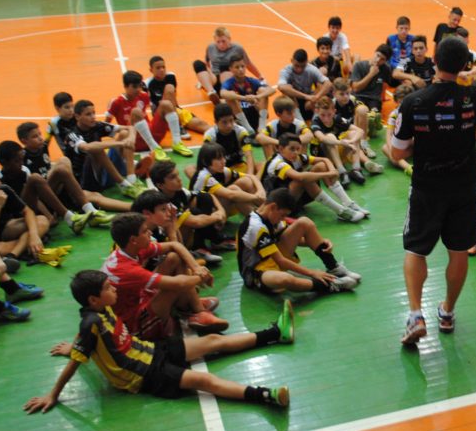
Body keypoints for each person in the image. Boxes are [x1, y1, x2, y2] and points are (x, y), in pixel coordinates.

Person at [390, 37, 476, 345]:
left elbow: (397, 154)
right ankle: (447, 312)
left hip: (426, 189)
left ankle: (415, 315)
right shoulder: (472, 97)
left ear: (434, 61)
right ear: (465, 66)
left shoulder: (413, 103)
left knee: (416, 249)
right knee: (458, 252)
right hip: (463, 191)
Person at [23, 270, 291, 413]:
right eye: (108, 288)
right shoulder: (91, 321)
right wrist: (53, 394)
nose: (114, 289)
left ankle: (276, 333)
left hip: (148, 350)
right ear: (94, 299)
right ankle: (266, 396)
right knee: (203, 382)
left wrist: (76, 347)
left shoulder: (97, 311)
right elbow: (76, 360)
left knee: (211, 340)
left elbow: (83, 340)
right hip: (144, 374)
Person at [100, 212, 228, 338]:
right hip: (133, 325)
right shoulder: (126, 269)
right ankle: (199, 311)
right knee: (173, 285)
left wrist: (197, 268)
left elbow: (175, 245)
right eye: (145, 231)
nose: (150, 233)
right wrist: (201, 276)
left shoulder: (128, 250)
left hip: (137, 299)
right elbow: (180, 283)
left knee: (174, 257)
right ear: (133, 240)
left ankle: (190, 305)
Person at [237, 189, 361, 295]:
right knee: (284, 280)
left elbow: (295, 239)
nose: (283, 219)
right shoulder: (255, 226)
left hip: (273, 258)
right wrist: (312, 273)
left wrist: (321, 242)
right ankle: (330, 285)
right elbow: (281, 261)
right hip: (257, 272)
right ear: (273, 207)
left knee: (304, 222)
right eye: (283, 215)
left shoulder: (273, 217)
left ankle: (334, 268)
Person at [16, 121, 129, 217]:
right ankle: (81, 208)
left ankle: (133, 207)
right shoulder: (22, 158)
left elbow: (46, 167)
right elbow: (30, 191)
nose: (40, 138)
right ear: (24, 141)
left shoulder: (43, 148)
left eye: (40, 134)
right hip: (44, 197)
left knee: (94, 195)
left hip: (58, 190)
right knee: (63, 162)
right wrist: (48, 215)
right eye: (35, 136)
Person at [261, 133, 366, 222]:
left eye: (298, 149)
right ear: (280, 148)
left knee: (321, 166)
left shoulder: (297, 157)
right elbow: (300, 177)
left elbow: (324, 160)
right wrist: (329, 174)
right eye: (292, 149)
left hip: (296, 198)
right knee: (303, 178)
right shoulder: (277, 163)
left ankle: (348, 203)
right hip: (280, 206)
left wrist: (333, 171)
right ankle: (341, 211)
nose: (296, 152)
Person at [0, 140, 91, 235]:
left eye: (22, 159)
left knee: (61, 170)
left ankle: (90, 211)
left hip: (30, 208)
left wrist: (49, 216)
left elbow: (35, 198)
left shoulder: (24, 171)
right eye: (17, 161)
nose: (21, 163)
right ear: (4, 162)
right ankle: (69, 217)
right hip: (18, 216)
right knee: (35, 178)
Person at [59, 99, 146, 198]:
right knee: (96, 148)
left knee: (124, 134)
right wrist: (121, 144)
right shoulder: (72, 135)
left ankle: (132, 179)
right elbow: (87, 147)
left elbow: (130, 128)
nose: (93, 117)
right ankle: (124, 184)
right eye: (88, 114)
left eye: (93, 113)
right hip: (86, 181)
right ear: (77, 116)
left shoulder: (97, 125)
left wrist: (130, 139)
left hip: (102, 172)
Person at [106, 70, 191, 160]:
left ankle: (177, 142)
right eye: (134, 87)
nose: (138, 89)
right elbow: (106, 126)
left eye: (139, 86)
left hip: (152, 136)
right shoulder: (116, 102)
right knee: (136, 112)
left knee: (166, 104)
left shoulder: (144, 96)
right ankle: (154, 149)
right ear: (125, 87)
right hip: (134, 141)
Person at [309, 95, 383, 186]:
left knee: (352, 133)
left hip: (336, 154)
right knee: (331, 137)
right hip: (323, 159)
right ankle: (342, 172)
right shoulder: (315, 122)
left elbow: (360, 131)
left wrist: (351, 141)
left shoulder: (337, 118)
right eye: (322, 115)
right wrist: (341, 142)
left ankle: (356, 169)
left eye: (329, 115)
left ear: (334, 112)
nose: (326, 118)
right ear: (317, 112)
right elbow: (322, 138)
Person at [189, 142, 266, 217]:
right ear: (205, 161)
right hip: (205, 217)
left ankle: (265, 210)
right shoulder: (204, 176)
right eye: (219, 159)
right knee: (233, 190)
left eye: (224, 157)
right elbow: (231, 195)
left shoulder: (222, 171)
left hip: (217, 209)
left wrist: (260, 190)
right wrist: (256, 197)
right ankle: (260, 217)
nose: (224, 161)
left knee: (246, 181)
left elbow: (251, 176)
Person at [144, 55, 211, 141]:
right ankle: (177, 126)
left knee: (200, 123)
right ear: (151, 70)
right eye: (158, 68)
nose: (162, 70)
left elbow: (173, 98)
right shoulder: (147, 84)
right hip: (160, 114)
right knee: (169, 88)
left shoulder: (171, 77)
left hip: (175, 110)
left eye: (163, 67)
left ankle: (219, 134)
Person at [194, 27, 264, 102]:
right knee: (198, 63)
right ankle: (211, 92)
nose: (221, 44)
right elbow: (207, 63)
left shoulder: (237, 48)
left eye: (223, 41)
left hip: (228, 79)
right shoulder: (210, 48)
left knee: (224, 67)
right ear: (214, 40)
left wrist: (259, 76)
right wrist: (204, 79)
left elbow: (248, 63)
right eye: (218, 42)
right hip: (214, 78)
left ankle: (225, 95)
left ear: (229, 39)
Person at [219, 54, 275, 134]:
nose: (241, 69)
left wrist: (256, 97)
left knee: (263, 92)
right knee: (229, 97)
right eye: (237, 67)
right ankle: (248, 129)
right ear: (231, 69)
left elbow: (272, 90)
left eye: (243, 66)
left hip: (255, 115)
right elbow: (222, 93)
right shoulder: (229, 83)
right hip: (240, 119)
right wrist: (244, 98)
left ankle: (262, 126)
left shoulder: (251, 81)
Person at [277, 48, 331, 122]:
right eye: (296, 66)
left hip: (308, 102)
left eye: (302, 66)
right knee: (287, 90)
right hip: (294, 101)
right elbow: (281, 87)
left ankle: (316, 121)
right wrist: (306, 96)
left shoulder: (312, 69)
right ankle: (300, 121)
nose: (299, 69)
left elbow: (328, 83)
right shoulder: (286, 70)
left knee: (321, 88)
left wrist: (317, 96)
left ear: (307, 62)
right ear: (291, 61)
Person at [203, 103, 257, 176]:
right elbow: (207, 163)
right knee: (190, 169)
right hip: (220, 171)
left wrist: (250, 175)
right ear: (216, 122)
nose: (229, 125)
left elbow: (248, 155)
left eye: (231, 120)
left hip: (239, 168)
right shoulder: (210, 136)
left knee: (261, 166)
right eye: (224, 122)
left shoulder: (241, 132)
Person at [255, 96, 314, 161]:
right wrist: (280, 142)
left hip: (295, 154)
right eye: (289, 114)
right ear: (278, 114)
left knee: (305, 140)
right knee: (266, 142)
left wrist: (290, 143)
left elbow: (310, 135)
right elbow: (259, 137)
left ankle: (301, 164)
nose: (293, 116)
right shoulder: (272, 125)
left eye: (293, 112)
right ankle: (272, 165)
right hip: (280, 157)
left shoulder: (298, 124)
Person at [350, 43, 394, 121]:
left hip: (374, 99)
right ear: (374, 52)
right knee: (360, 113)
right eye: (377, 55)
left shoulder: (386, 69)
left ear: (386, 61)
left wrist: (382, 99)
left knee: (373, 117)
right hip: (359, 96)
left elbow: (384, 84)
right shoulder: (359, 65)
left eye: (382, 59)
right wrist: (371, 74)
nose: (378, 60)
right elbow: (356, 88)